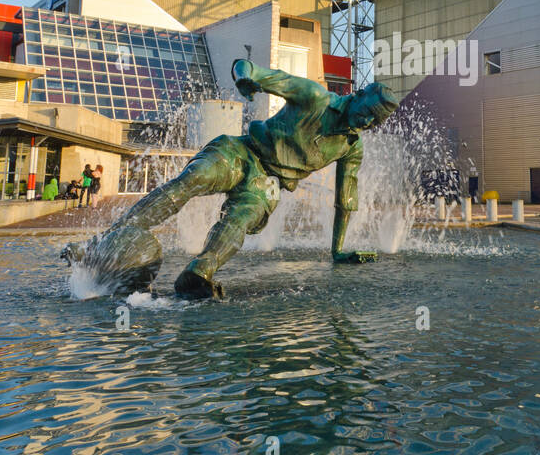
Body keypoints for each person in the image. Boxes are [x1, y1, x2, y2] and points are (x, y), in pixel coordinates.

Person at [63, 59, 399, 300]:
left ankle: (198, 274)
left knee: (243, 217)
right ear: (360, 93)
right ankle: (96, 247)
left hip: (267, 182)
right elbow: (247, 66)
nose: (366, 122)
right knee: (195, 177)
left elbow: (345, 201)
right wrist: (245, 78)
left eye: (373, 122)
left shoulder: (350, 147)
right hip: (243, 152)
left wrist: (337, 251)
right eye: (368, 112)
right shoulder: (314, 96)